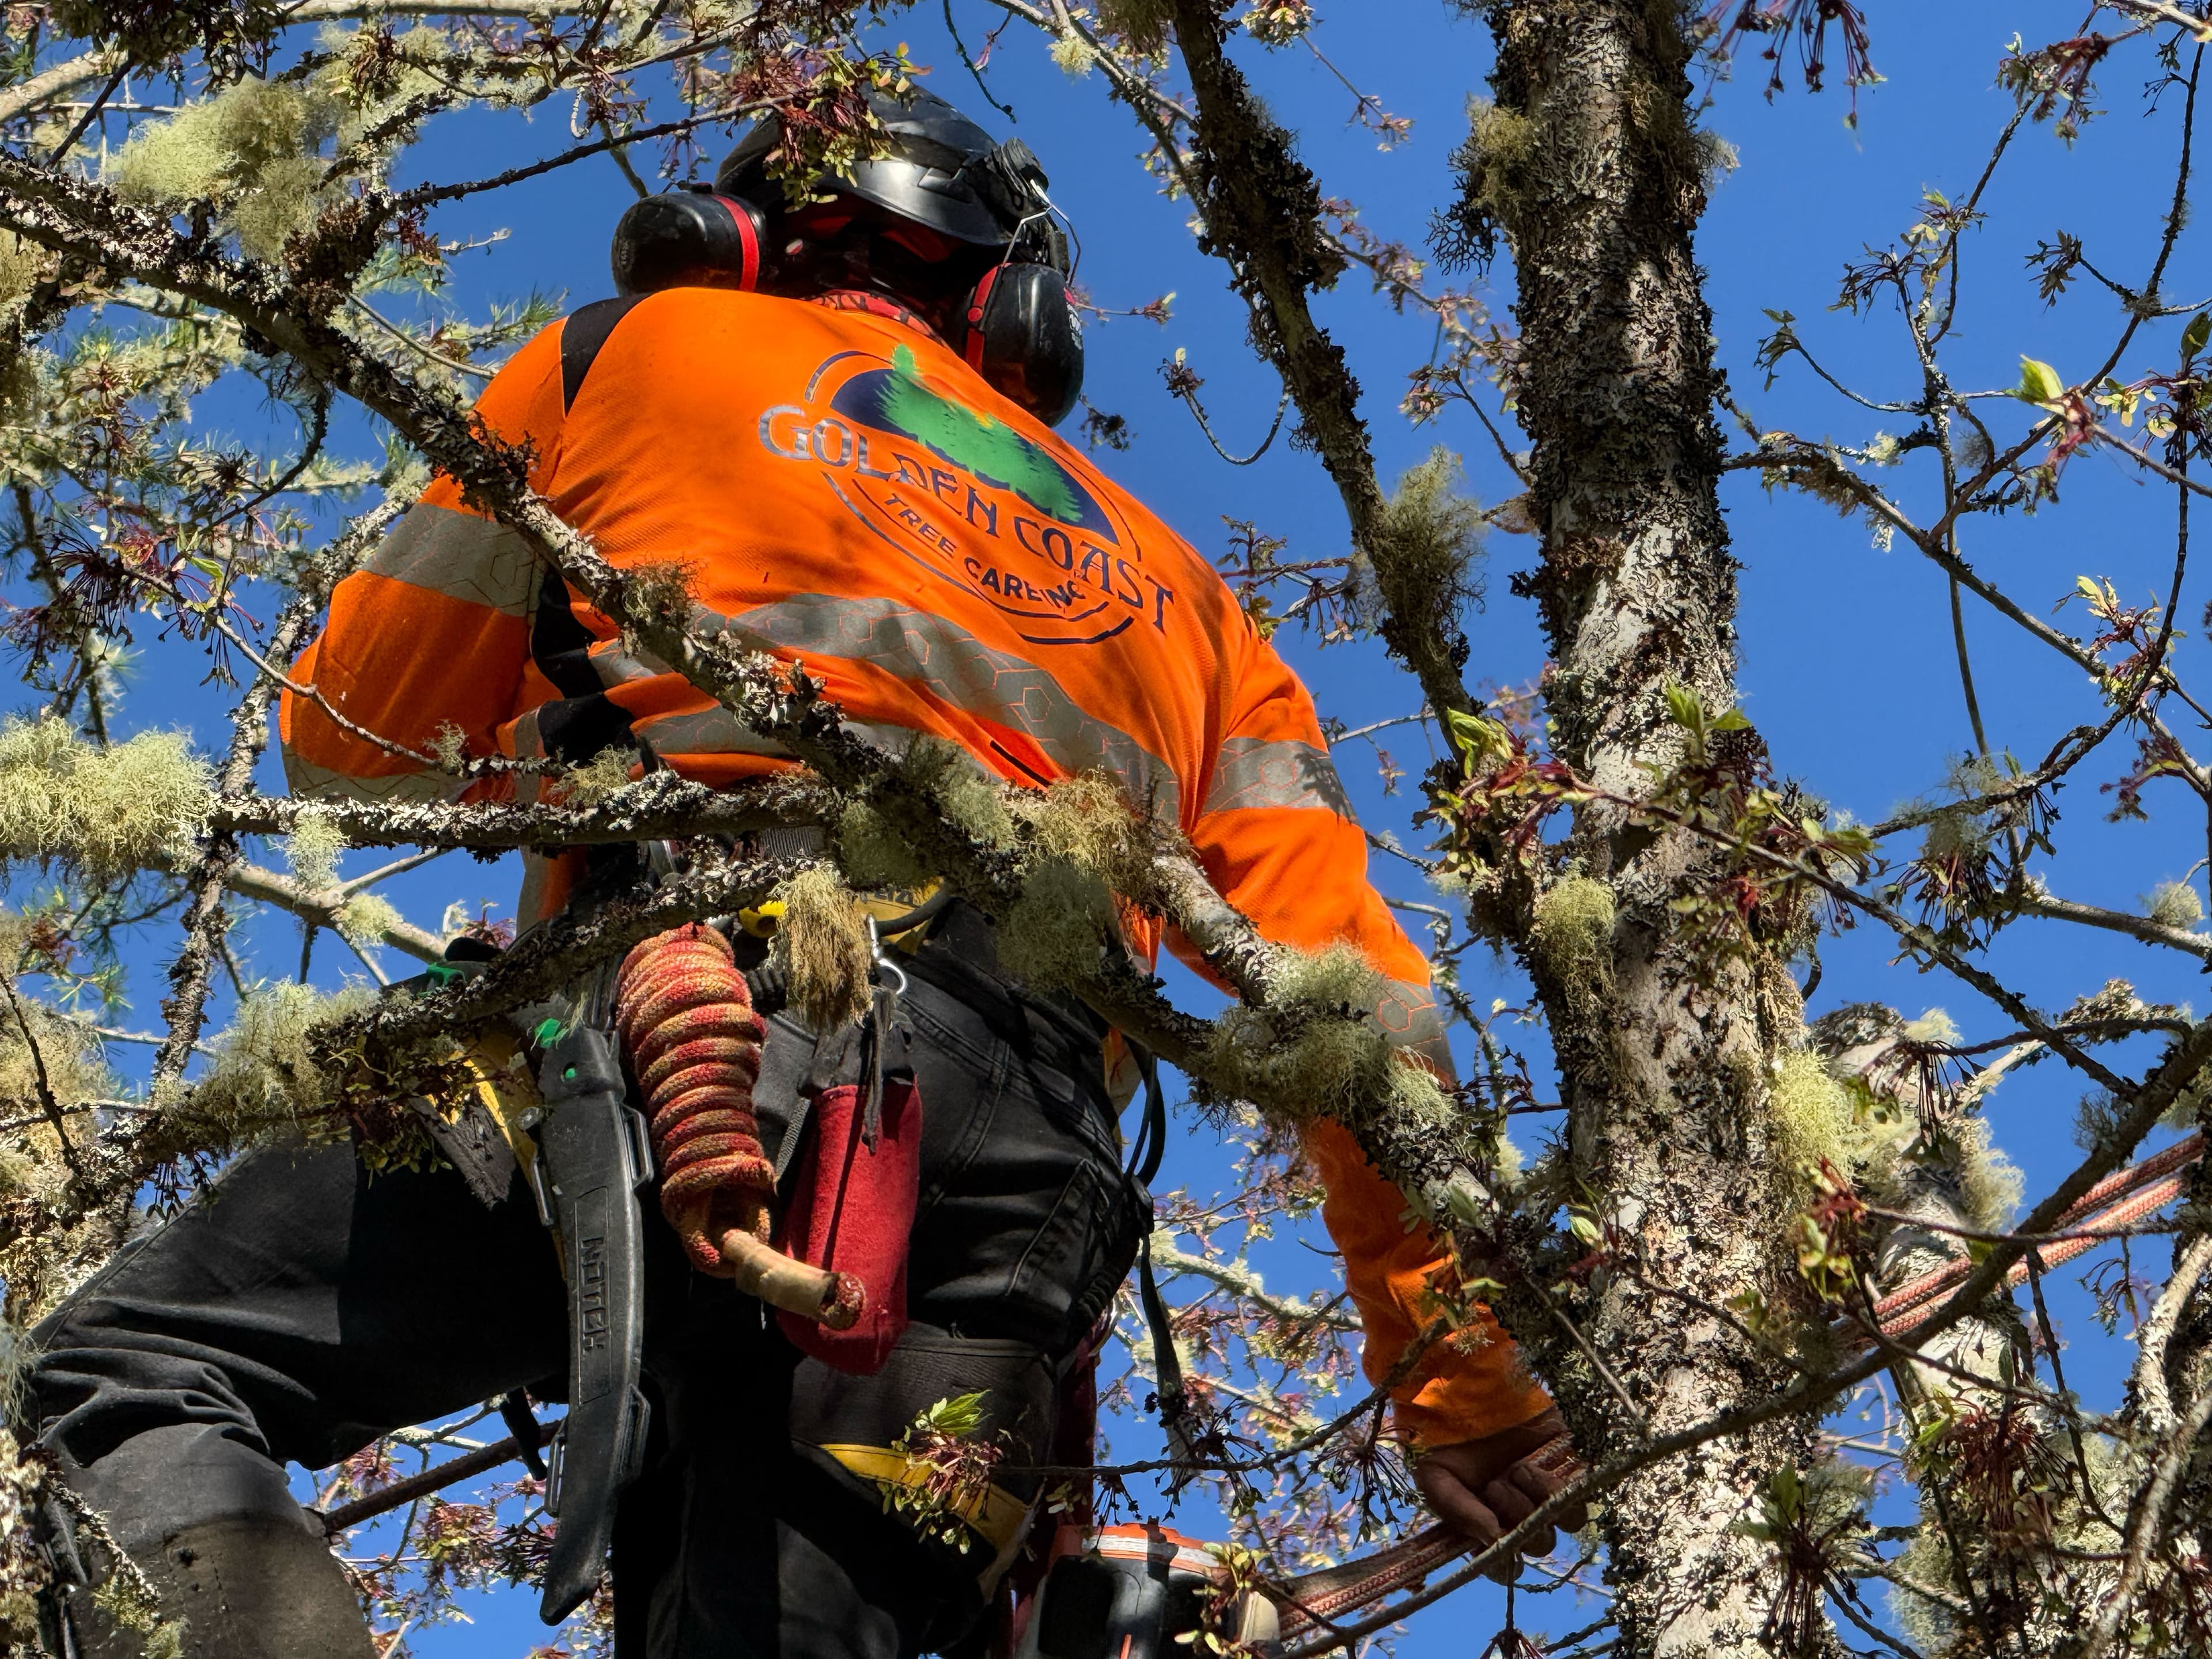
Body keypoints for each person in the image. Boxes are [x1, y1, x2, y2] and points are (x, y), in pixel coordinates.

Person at [28, 87, 1581, 1659]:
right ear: (1014, 308)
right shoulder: (1194, 601)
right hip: (1016, 1165)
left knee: (140, 1373)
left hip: (671, 1020)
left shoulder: (617, 355)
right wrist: (1468, 1381)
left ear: (732, 242)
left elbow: (350, 739)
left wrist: (599, 719)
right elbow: (1364, 1017)